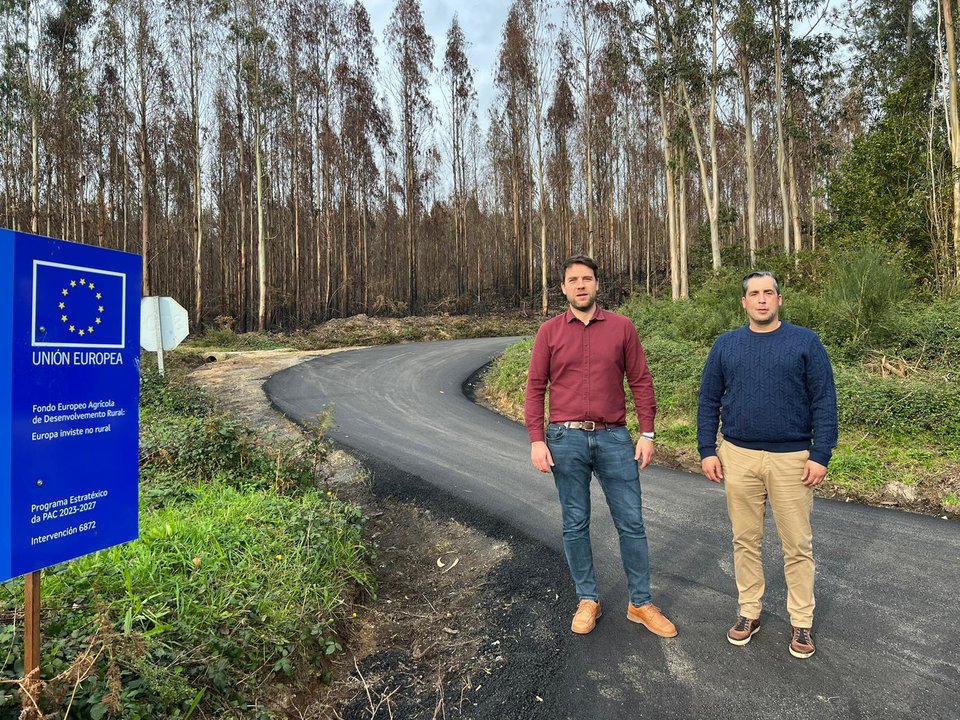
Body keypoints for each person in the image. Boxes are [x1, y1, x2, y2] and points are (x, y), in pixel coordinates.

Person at [524, 254, 677, 638]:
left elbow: (641, 381)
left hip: (613, 438)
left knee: (632, 522)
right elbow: (535, 388)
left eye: (587, 279)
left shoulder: (622, 328)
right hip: (565, 438)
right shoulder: (549, 332)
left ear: (597, 285)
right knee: (575, 523)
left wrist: (648, 433)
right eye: (573, 280)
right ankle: (587, 599)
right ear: (563, 288)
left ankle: (640, 603)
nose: (580, 285)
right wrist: (536, 440)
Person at [697, 271, 838, 659]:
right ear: (743, 302)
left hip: (793, 458)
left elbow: (824, 399)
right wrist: (707, 449)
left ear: (779, 300)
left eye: (769, 293)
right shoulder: (726, 345)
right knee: (745, 540)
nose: (762, 299)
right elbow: (708, 399)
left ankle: (802, 623)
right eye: (754, 294)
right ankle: (749, 612)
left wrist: (821, 453)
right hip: (738, 455)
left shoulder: (805, 342)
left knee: (797, 544)